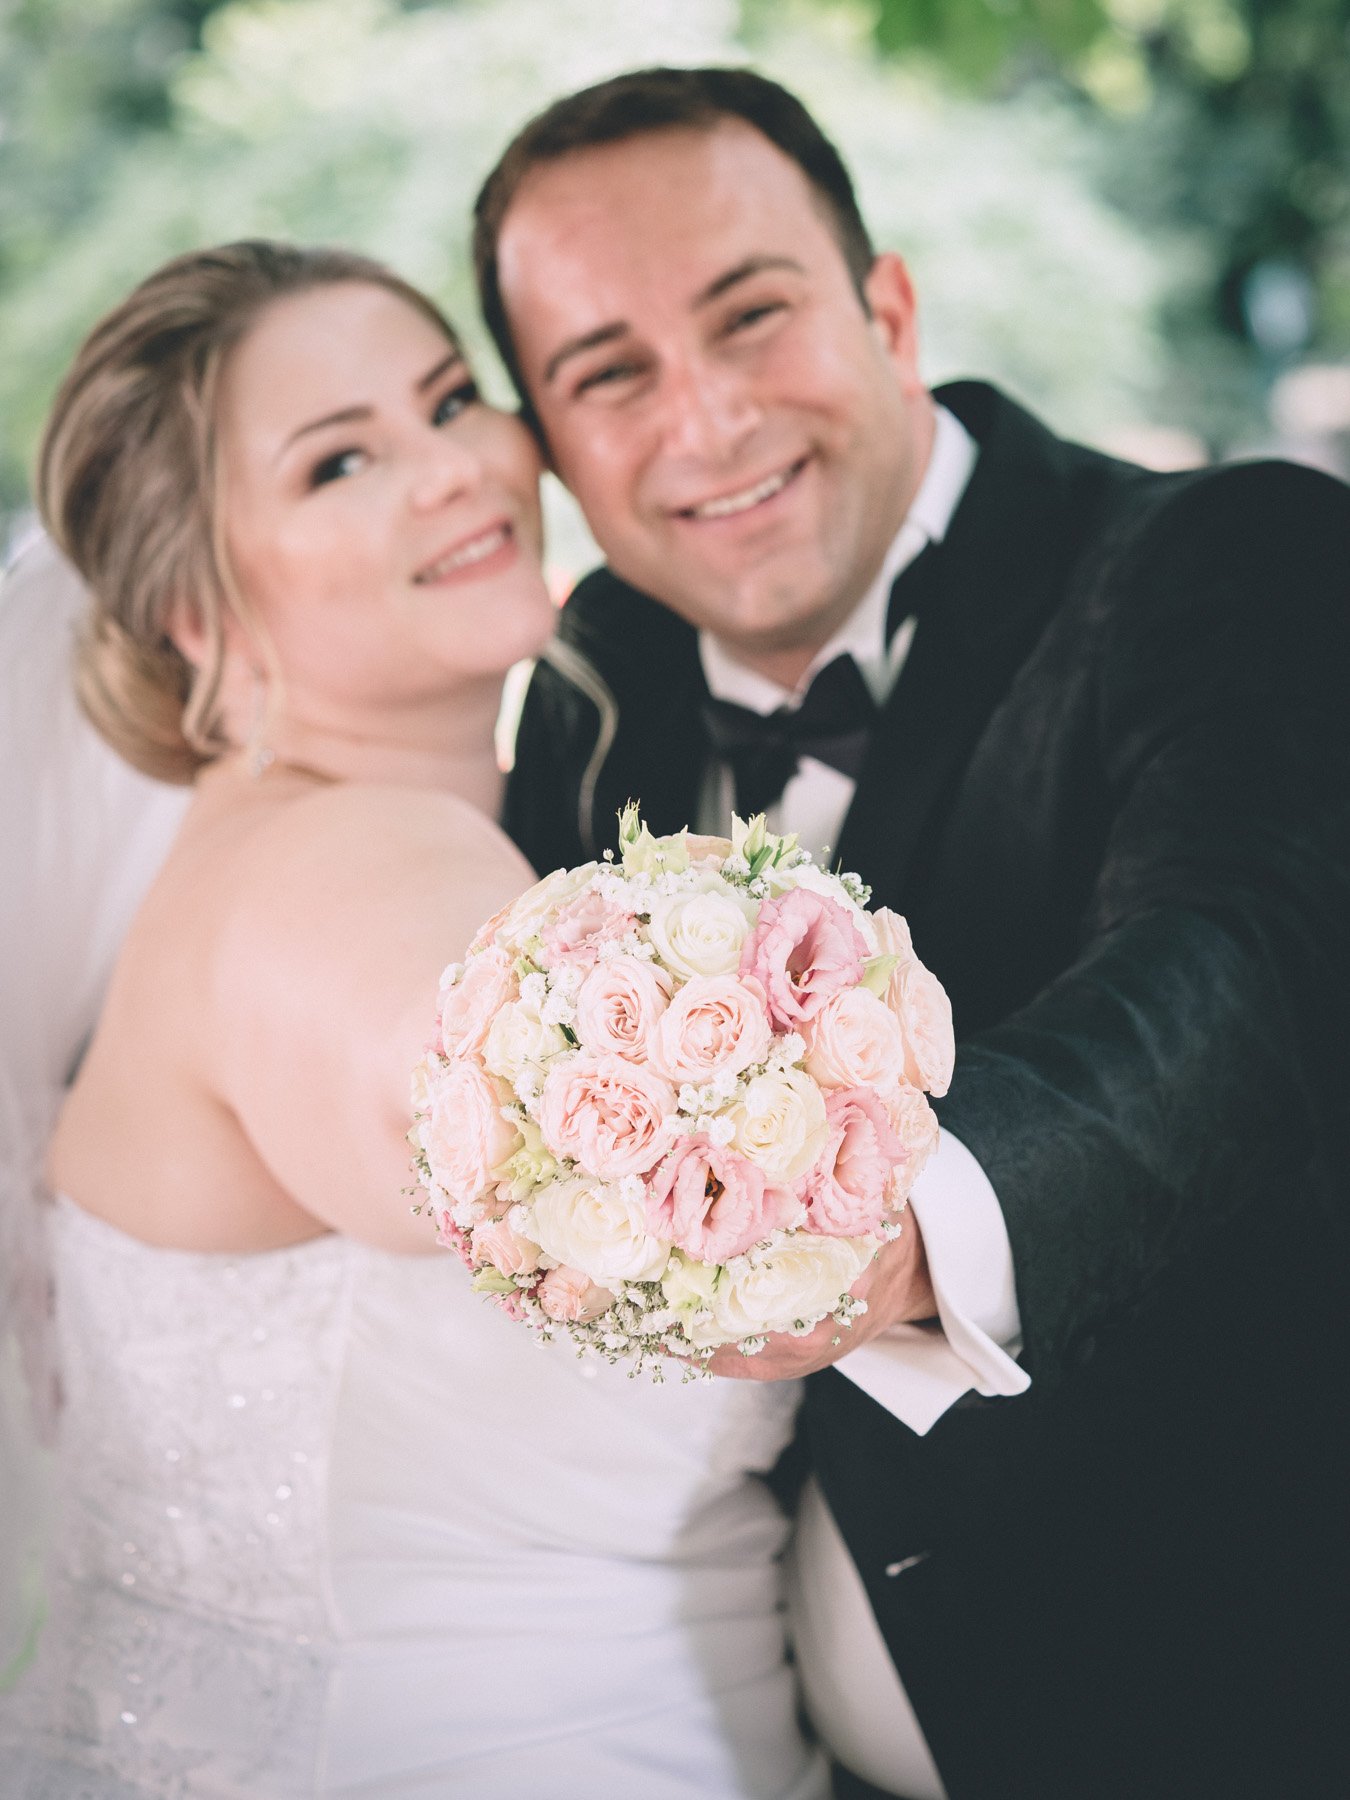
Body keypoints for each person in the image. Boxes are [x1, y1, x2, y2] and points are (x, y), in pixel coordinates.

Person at [476, 67, 1350, 1799]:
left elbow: (1242, 964)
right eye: (611, 375)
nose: (706, 421)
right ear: (555, 447)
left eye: (753, 315)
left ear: (887, 305)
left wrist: (915, 1233)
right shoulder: (594, 694)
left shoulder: (1228, 555)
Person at [0, 240, 829, 1800]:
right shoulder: (342, 863)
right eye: (340, 461)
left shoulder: (271, 842)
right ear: (193, 608)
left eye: (451, 399)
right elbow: (459, 1083)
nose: (453, 470)